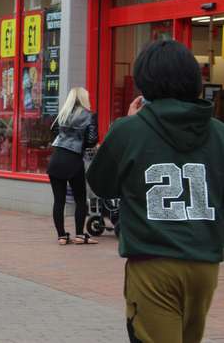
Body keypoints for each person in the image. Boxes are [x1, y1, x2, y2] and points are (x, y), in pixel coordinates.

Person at [87, 40, 223, 343]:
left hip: (153, 260)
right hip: (205, 261)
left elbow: (101, 183)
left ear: (145, 82)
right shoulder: (218, 133)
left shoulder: (129, 129)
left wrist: (128, 124)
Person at [47, 87, 98, 245]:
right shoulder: (89, 115)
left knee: (58, 201)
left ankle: (62, 236)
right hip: (74, 159)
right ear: (84, 98)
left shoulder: (62, 113)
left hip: (56, 159)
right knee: (80, 200)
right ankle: (80, 235)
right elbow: (91, 139)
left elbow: (53, 130)